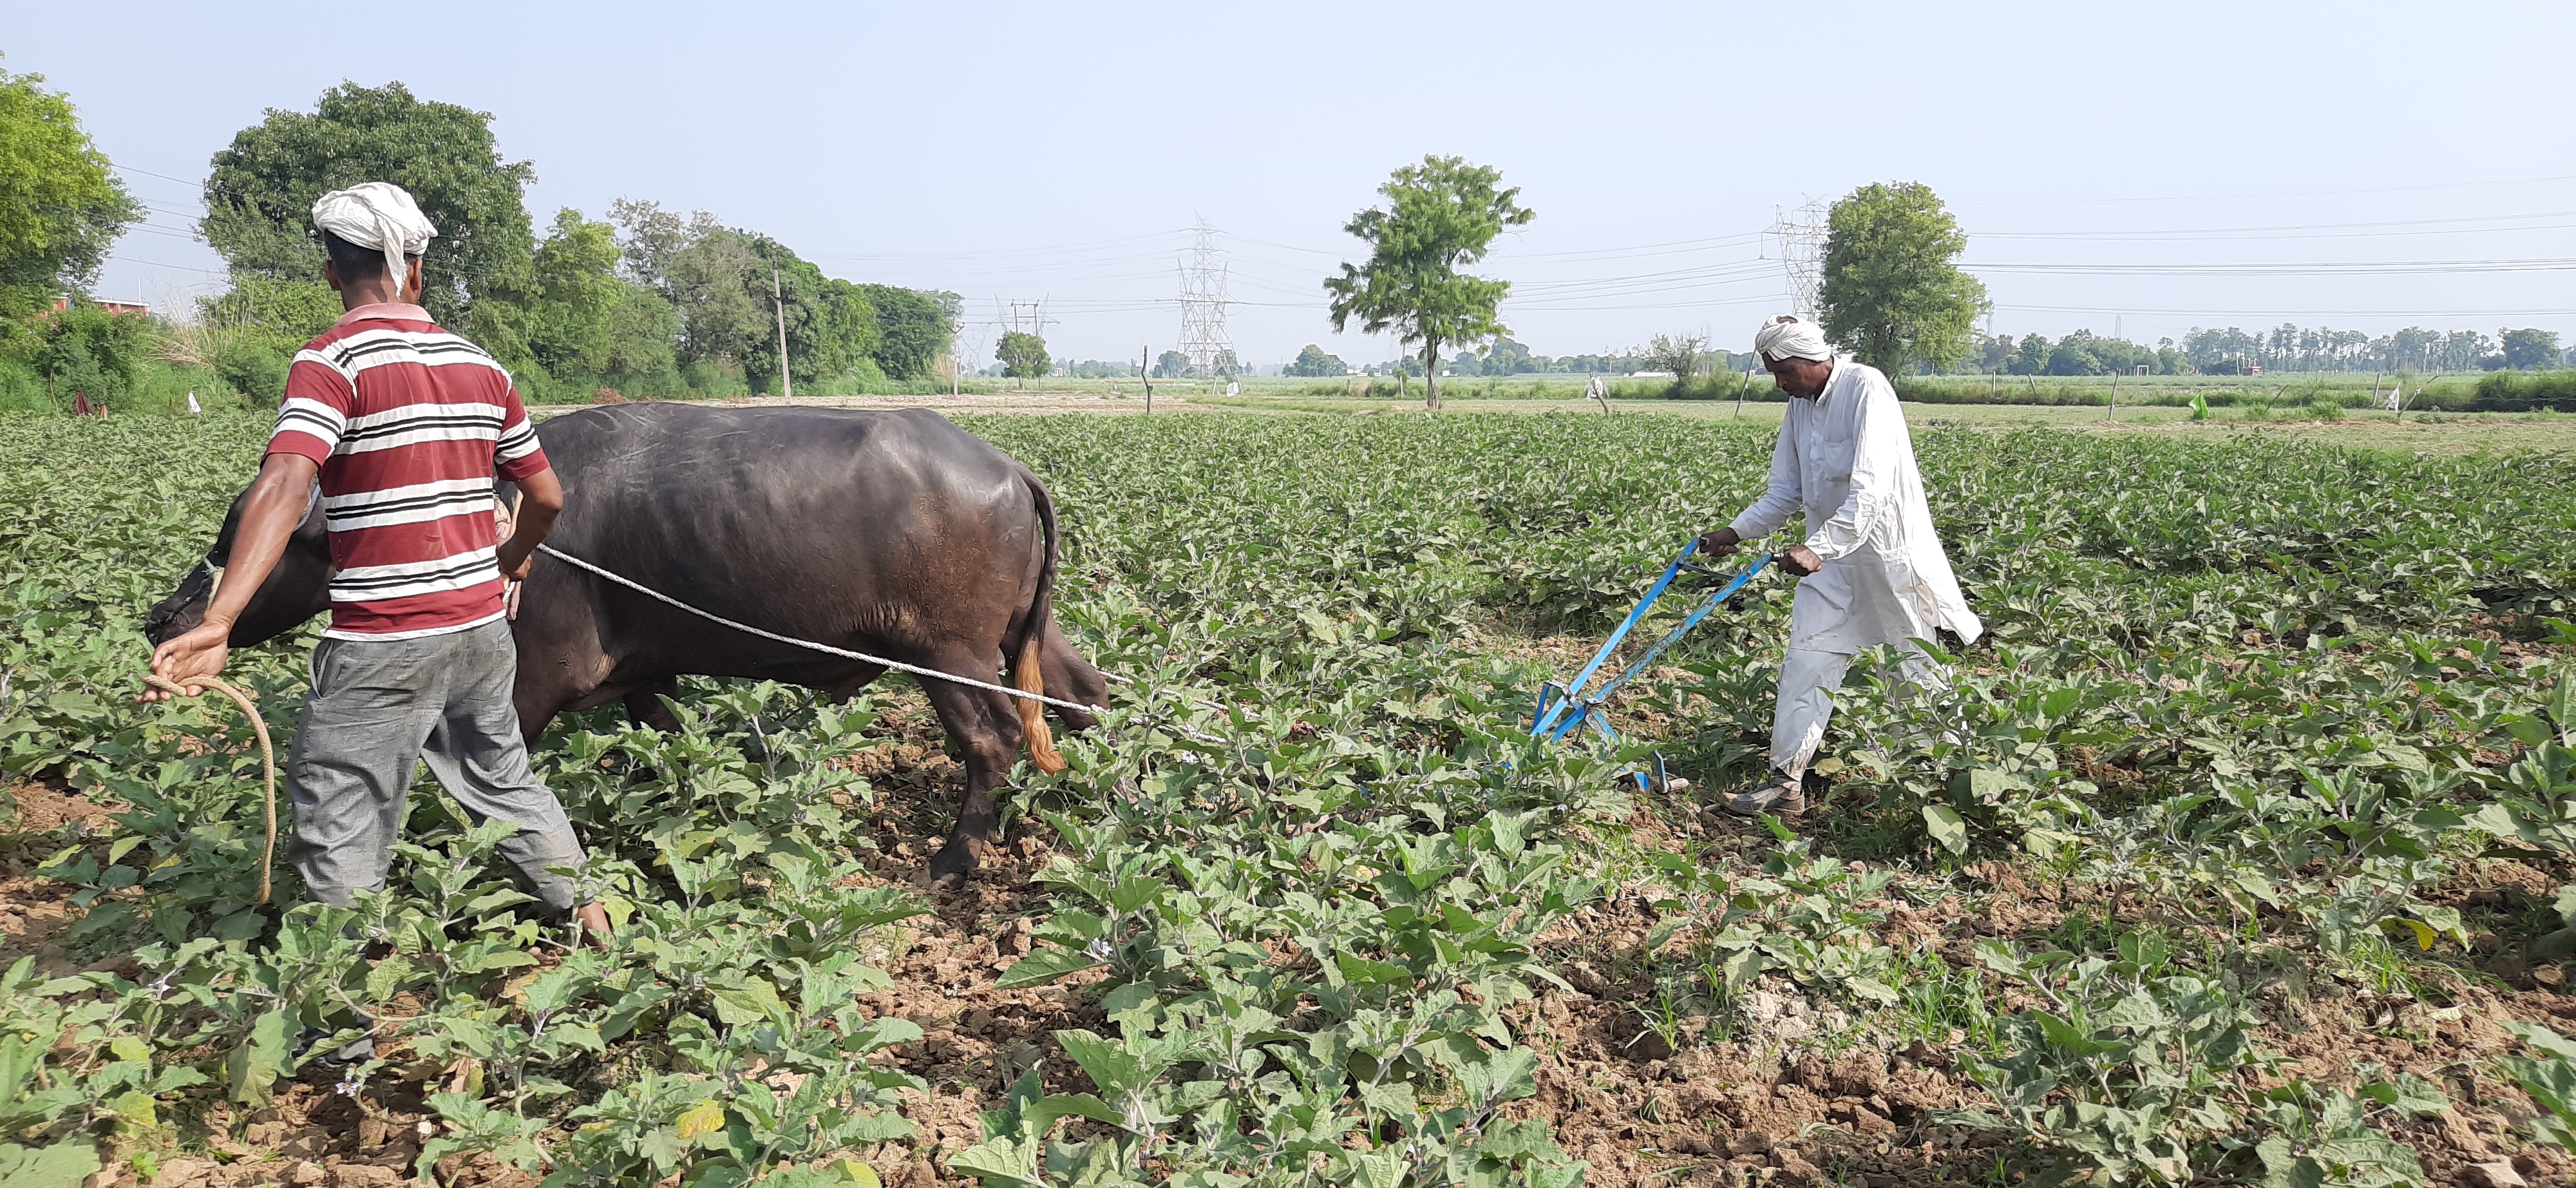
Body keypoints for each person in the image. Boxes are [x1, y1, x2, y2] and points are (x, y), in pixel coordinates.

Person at [144, 182, 611, 943]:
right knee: (505, 781)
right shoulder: (482, 365)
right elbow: (547, 495)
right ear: (417, 269)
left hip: (382, 641)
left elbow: (288, 481)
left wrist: (220, 617)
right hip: (479, 629)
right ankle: (597, 924)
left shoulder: (331, 361)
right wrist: (509, 559)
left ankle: (343, 1039)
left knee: (340, 818)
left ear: (331, 273)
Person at [1696, 314, 1981, 818]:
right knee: (1806, 661)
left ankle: (1952, 783)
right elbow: (1787, 490)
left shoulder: (1865, 387)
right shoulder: (1800, 407)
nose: (1779, 384)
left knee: (1912, 673)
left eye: (1782, 372)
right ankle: (1786, 785)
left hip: (1885, 561)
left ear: (1809, 360)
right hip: (1829, 567)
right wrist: (1735, 532)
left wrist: (1818, 548)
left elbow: (1870, 489)